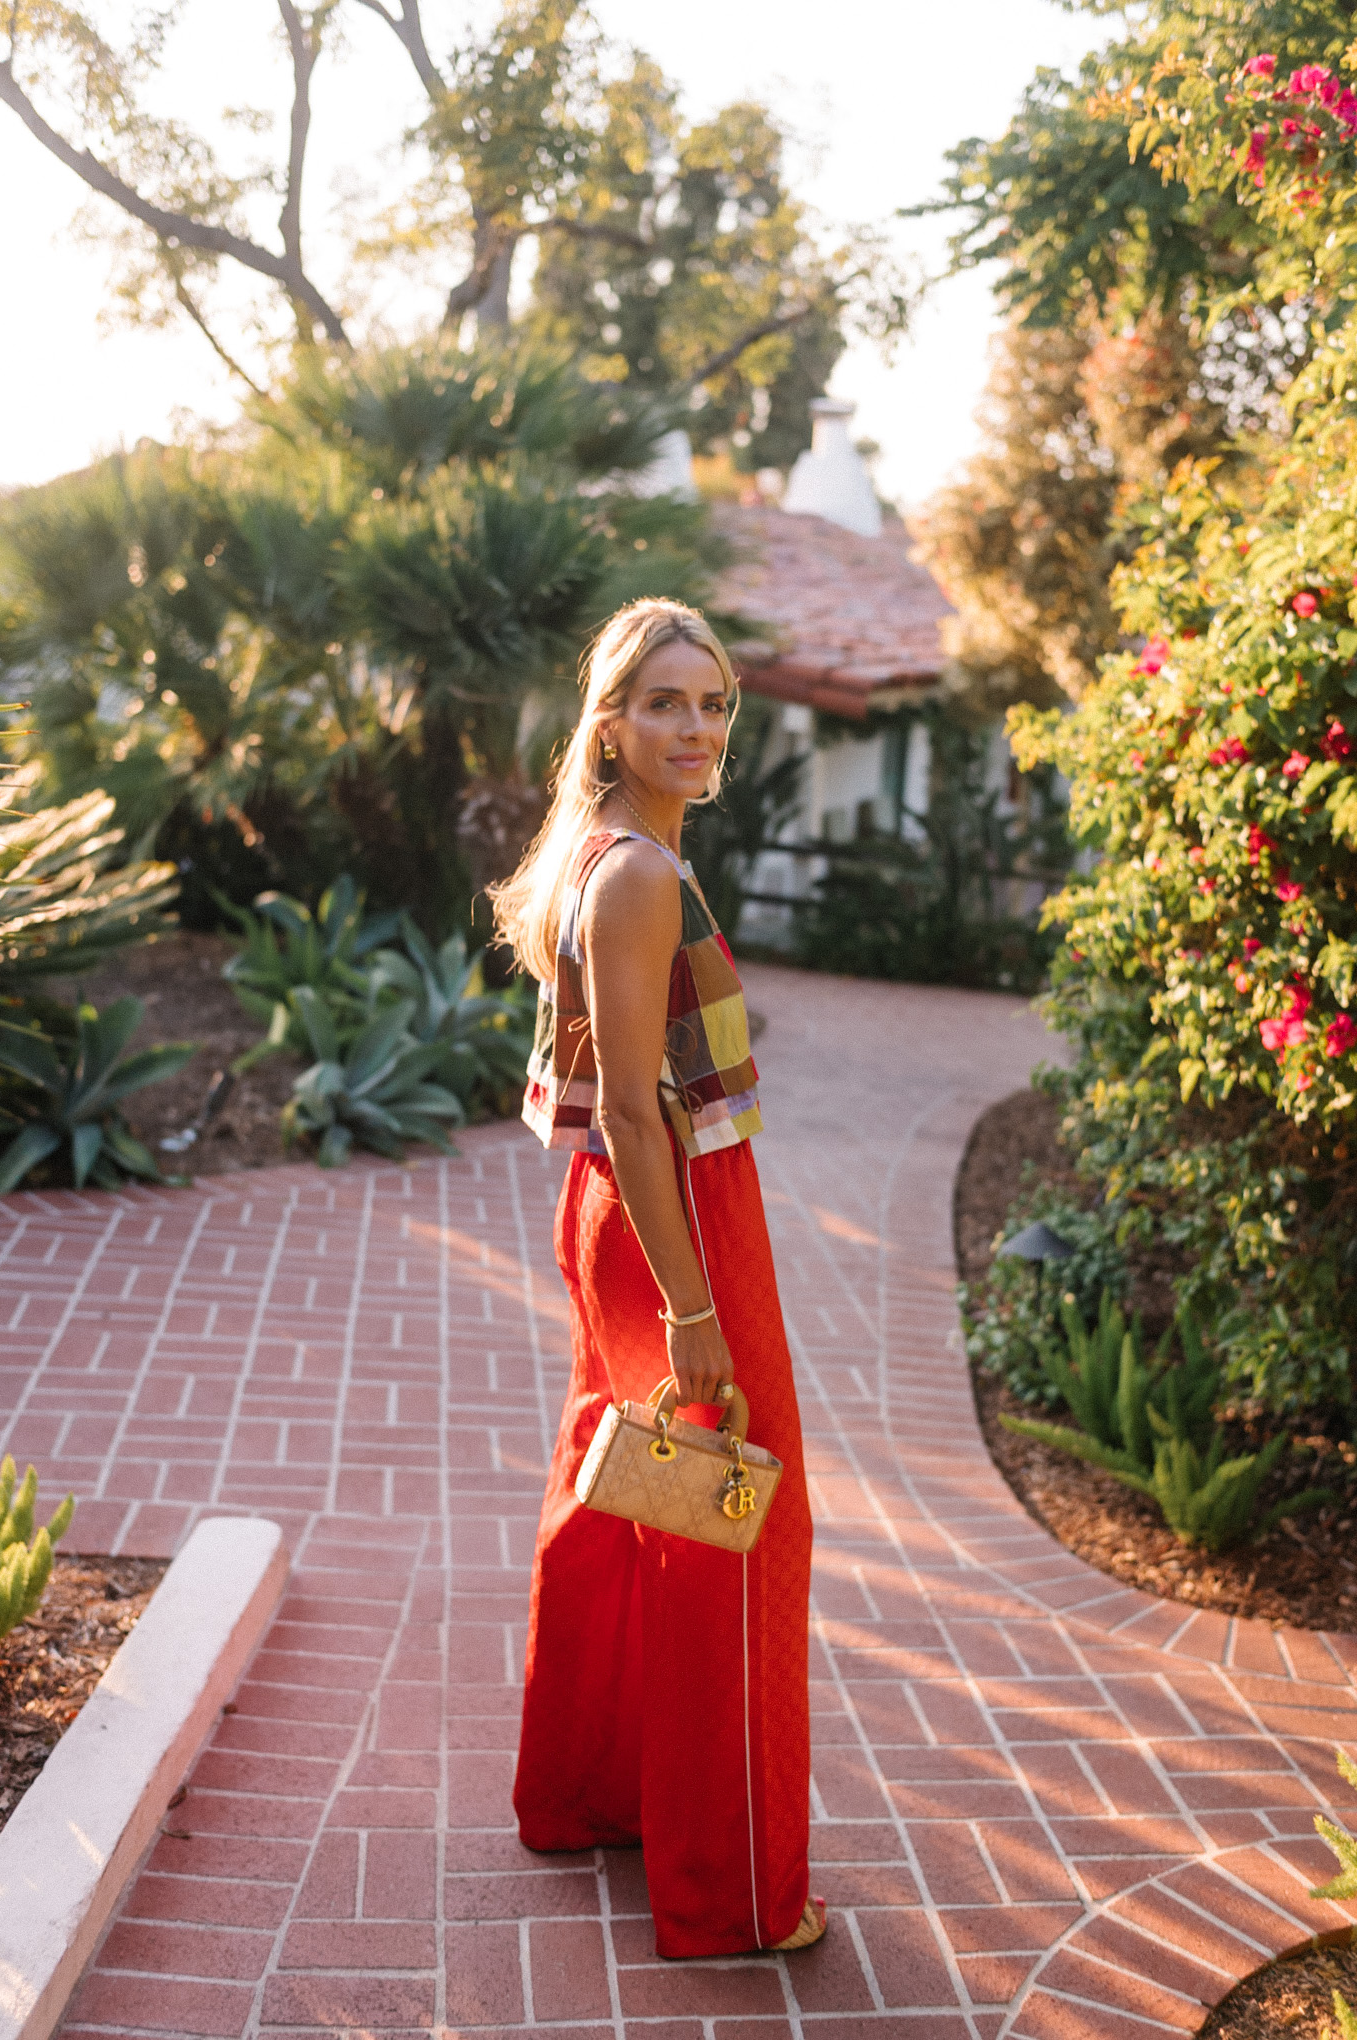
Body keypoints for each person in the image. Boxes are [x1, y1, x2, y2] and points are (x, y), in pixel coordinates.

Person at [490, 597, 821, 1959]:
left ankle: (591, 1794)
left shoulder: (617, 854)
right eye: (668, 703)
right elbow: (633, 1109)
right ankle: (726, 1889)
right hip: (667, 1211)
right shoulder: (634, 874)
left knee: (633, 1495)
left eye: (716, 704)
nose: (697, 729)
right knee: (734, 1529)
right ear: (609, 721)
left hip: (625, 1210)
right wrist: (695, 1306)